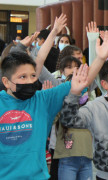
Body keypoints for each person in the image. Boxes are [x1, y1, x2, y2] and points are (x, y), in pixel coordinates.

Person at [0, 50, 89, 179]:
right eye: (22, 77)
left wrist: (100, 56)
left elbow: (79, 82)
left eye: (33, 76)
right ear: (6, 82)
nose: (30, 81)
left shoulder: (43, 99)